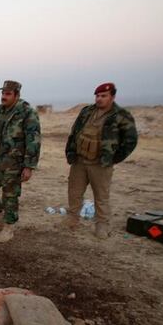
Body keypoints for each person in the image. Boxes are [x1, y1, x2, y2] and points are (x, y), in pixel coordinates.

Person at [64, 82, 138, 239]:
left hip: (100, 164)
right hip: (80, 161)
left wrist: (113, 158)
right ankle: (72, 219)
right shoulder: (87, 111)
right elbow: (74, 131)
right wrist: (70, 151)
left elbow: (130, 140)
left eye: (103, 96)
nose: (99, 99)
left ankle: (102, 225)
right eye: (97, 96)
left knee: (101, 196)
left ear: (112, 96)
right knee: (74, 192)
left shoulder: (121, 116)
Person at [0, 80, 41, 243]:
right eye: (3, 93)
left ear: (16, 95)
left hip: (13, 163)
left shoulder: (27, 113)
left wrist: (29, 166)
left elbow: (33, 140)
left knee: (10, 196)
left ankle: (9, 227)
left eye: (8, 94)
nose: (4, 97)